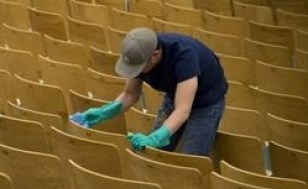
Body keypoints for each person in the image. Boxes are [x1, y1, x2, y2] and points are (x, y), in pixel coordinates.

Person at [74, 27, 228, 157]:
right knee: (152, 153)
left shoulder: (184, 57)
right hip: (174, 95)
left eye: (139, 68)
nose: (137, 72)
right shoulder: (139, 55)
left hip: (205, 104)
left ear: (155, 55)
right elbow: (130, 94)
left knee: (191, 158)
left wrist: (156, 138)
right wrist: (102, 113)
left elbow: (182, 109)